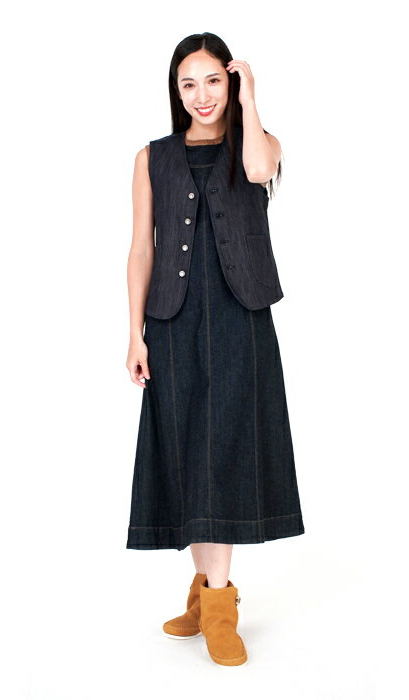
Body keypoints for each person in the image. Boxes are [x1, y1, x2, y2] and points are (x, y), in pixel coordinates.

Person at [125, 32, 305, 666]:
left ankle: (221, 608)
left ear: (230, 83)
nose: (202, 95)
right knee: (187, 456)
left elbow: (258, 170)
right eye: (188, 84)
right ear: (176, 91)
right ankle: (206, 598)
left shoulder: (259, 142)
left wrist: (250, 101)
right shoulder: (152, 157)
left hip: (238, 316)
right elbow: (141, 248)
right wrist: (134, 332)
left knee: (222, 453)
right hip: (172, 322)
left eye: (213, 81)